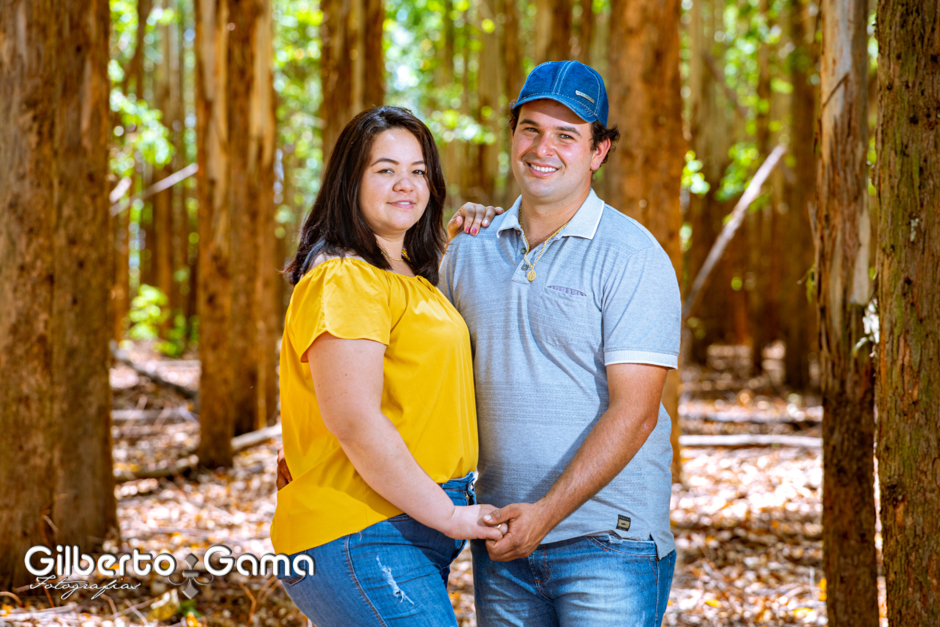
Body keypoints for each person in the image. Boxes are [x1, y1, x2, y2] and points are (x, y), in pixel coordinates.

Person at [440, 60, 680, 627]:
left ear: (599, 151)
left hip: (610, 543)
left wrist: (546, 514)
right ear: (513, 136)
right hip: (503, 537)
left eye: (566, 135)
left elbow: (637, 413)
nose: (542, 148)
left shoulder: (633, 256)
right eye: (531, 129)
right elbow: (422, 369)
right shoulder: (468, 248)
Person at [271, 106, 504, 627]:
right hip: (359, 526)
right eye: (385, 169)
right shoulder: (345, 278)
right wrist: (449, 515)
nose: (406, 184)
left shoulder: (411, 279)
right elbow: (355, 420)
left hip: (399, 522)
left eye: (418, 171)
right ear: (349, 181)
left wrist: (475, 233)